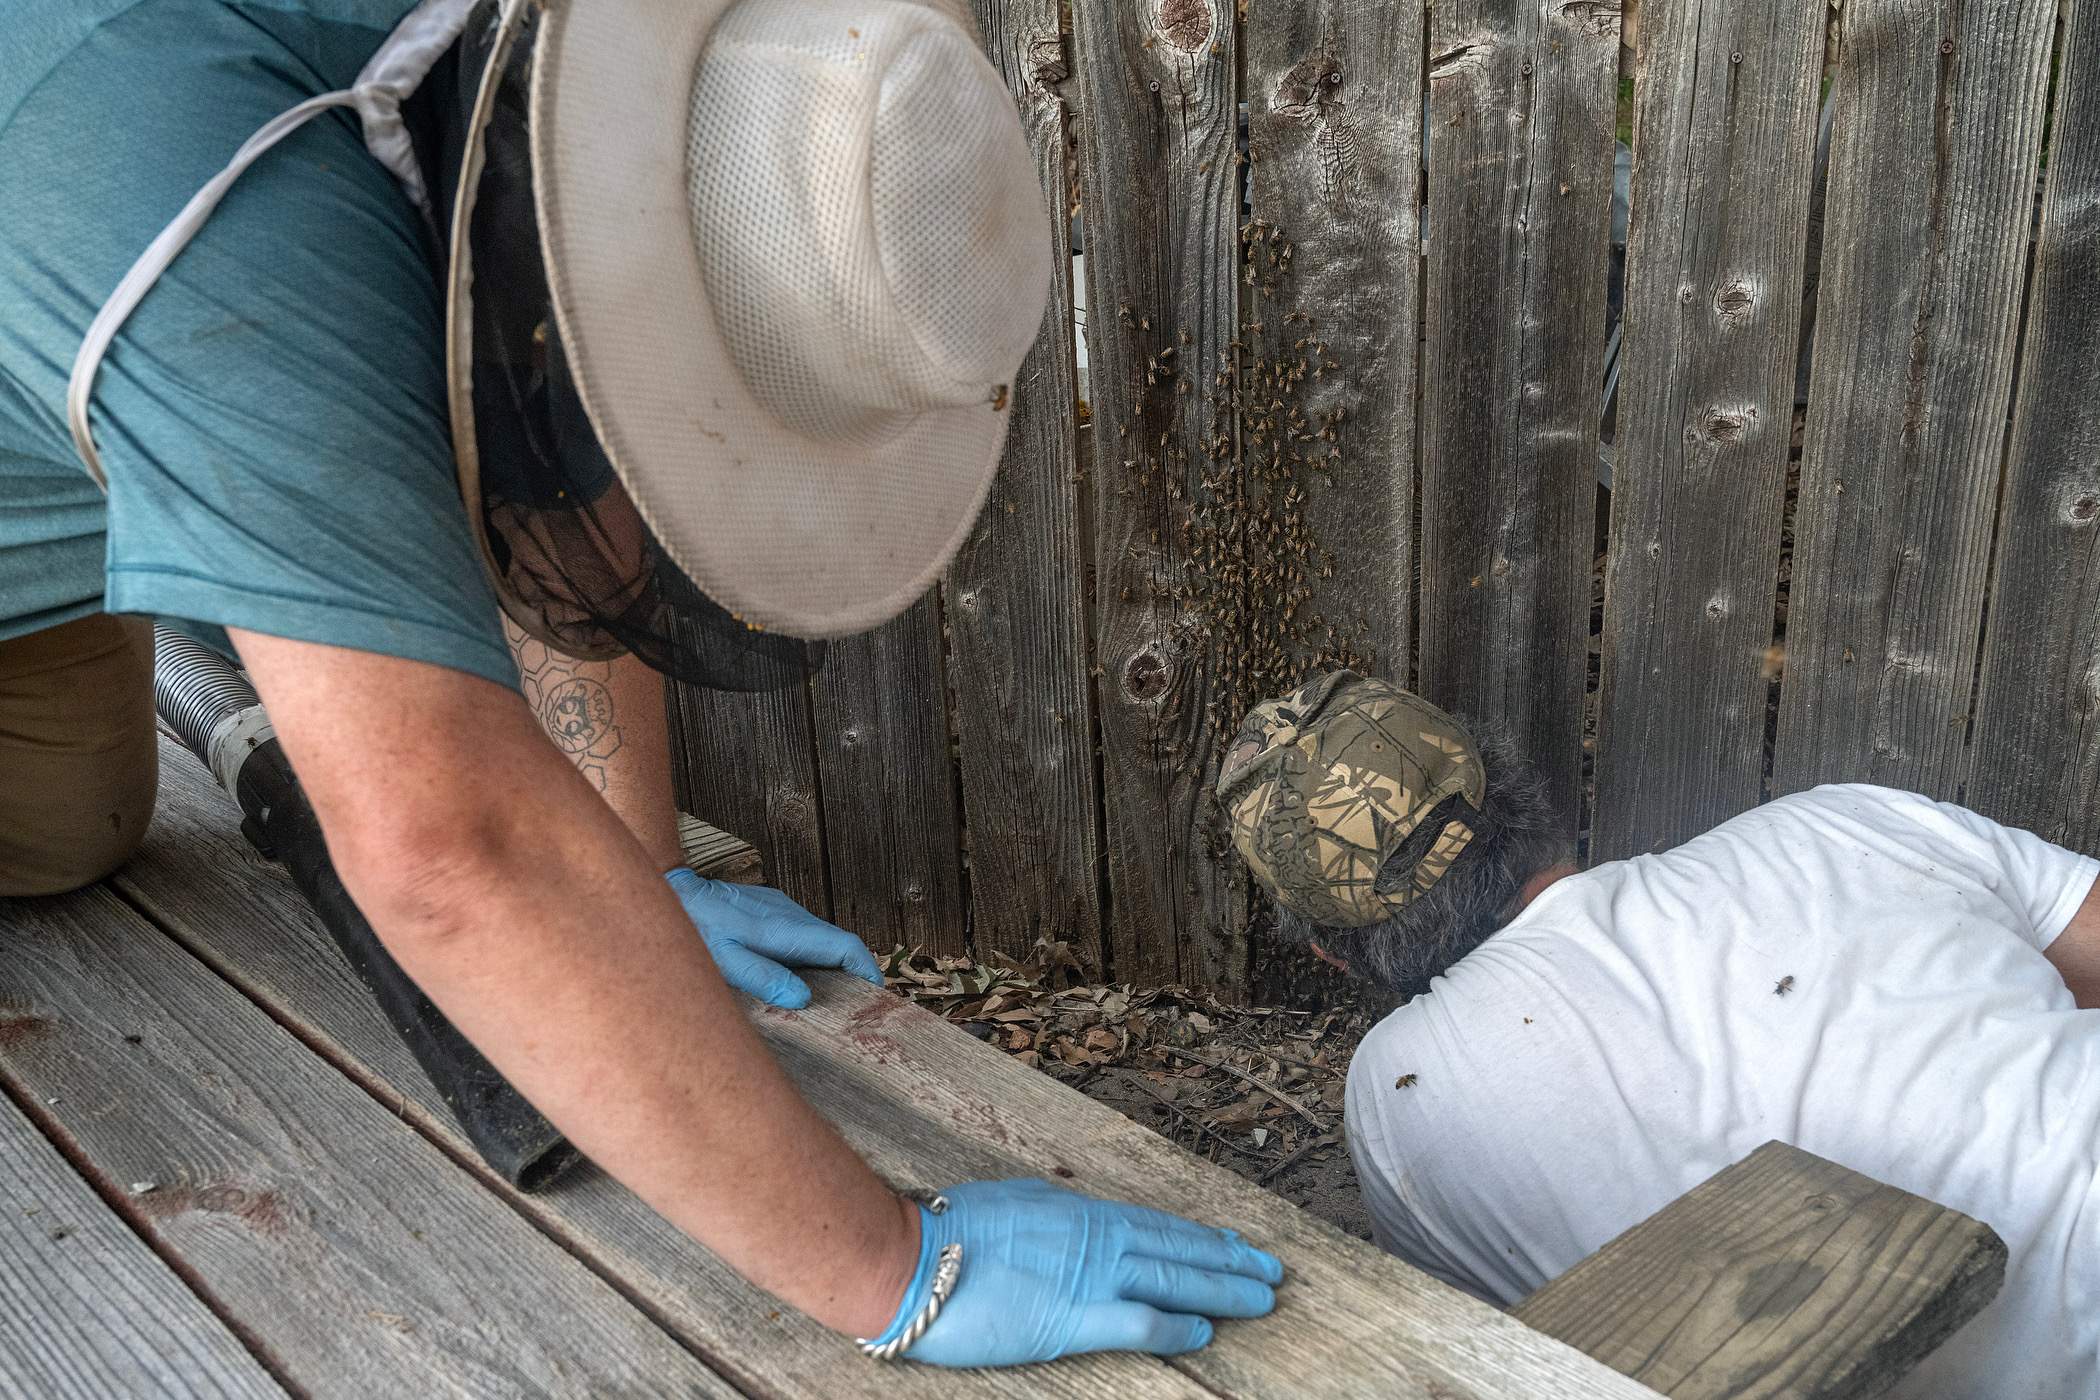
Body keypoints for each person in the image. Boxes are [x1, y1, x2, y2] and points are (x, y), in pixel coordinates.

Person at [0, 0, 1281, 1367]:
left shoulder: (529, 102)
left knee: (81, 828)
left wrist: (637, 869)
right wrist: (900, 1264)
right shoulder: (227, 218)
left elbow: (560, 415)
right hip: (117, 205)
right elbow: (450, 851)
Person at [1218, 669, 2100, 1399]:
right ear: (1518, 787)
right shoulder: (1841, 820)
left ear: (1335, 955)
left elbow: (1507, 1364)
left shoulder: (1396, 1095)